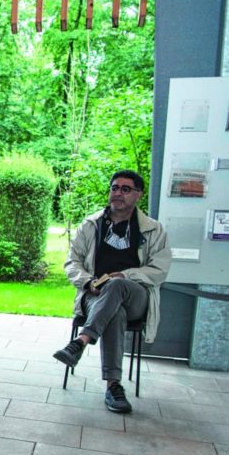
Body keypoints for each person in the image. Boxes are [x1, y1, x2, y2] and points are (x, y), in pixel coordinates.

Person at [54, 169, 170, 413]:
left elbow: (159, 269)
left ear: (138, 194)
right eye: (115, 188)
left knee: (116, 285)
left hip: (135, 296)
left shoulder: (153, 229)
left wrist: (126, 275)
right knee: (114, 312)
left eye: (126, 189)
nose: (118, 193)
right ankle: (113, 386)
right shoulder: (91, 225)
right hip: (94, 295)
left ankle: (81, 341)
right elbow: (72, 262)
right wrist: (87, 282)